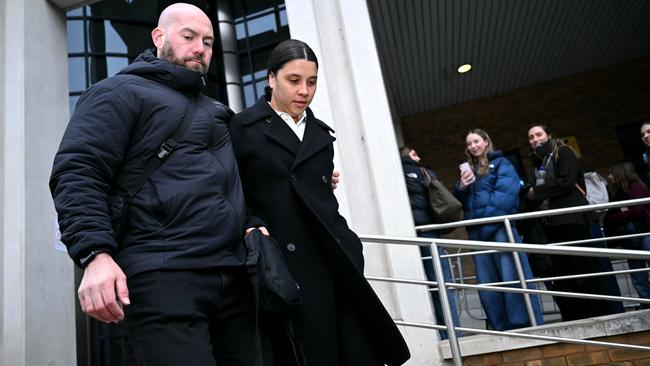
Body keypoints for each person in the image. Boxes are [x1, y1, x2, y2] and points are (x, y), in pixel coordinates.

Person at [49, 4, 258, 365]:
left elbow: (249, 174)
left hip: (235, 280)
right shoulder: (118, 93)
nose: (200, 49)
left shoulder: (216, 111)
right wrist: (95, 255)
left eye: (208, 42)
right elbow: (78, 173)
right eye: (189, 37)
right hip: (165, 275)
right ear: (159, 37)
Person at [229, 39, 410, 366]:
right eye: (293, 80)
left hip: (335, 261)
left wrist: (352, 246)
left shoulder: (321, 135)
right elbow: (232, 190)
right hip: (286, 270)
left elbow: (321, 198)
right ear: (271, 79)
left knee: (357, 352)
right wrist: (249, 222)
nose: (304, 91)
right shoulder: (242, 129)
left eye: (311, 82)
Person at [525, 123, 624, 321]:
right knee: (565, 272)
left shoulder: (563, 151)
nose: (535, 140)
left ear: (549, 135)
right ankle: (577, 315)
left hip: (573, 220)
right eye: (531, 137)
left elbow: (566, 182)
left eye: (538, 135)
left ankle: (601, 313)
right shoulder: (539, 163)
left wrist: (536, 192)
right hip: (552, 224)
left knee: (585, 267)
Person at [453, 128, 544, 331]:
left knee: (512, 277)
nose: (473, 146)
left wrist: (484, 223)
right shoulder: (470, 169)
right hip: (478, 233)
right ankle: (499, 325)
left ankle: (523, 323)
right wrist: (461, 186)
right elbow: (460, 201)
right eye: (469, 143)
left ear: (486, 141)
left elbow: (506, 196)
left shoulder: (502, 164)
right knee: (487, 284)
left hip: (500, 230)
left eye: (476, 141)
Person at [399, 146, 460, 339]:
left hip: (410, 234)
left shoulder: (396, 174)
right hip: (428, 233)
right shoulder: (421, 172)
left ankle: (443, 333)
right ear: (406, 156)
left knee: (428, 286)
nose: (420, 157)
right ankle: (452, 333)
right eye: (415, 154)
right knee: (442, 283)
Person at [604, 161, 650, 305]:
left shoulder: (636, 186)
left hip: (645, 233)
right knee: (637, 274)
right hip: (630, 237)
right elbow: (610, 216)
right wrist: (623, 211)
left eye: (611, 173)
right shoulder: (615, 191)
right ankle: (646, 302)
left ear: (620, 173)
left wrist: (623, 211)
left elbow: (636, 210)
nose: (609, 176)